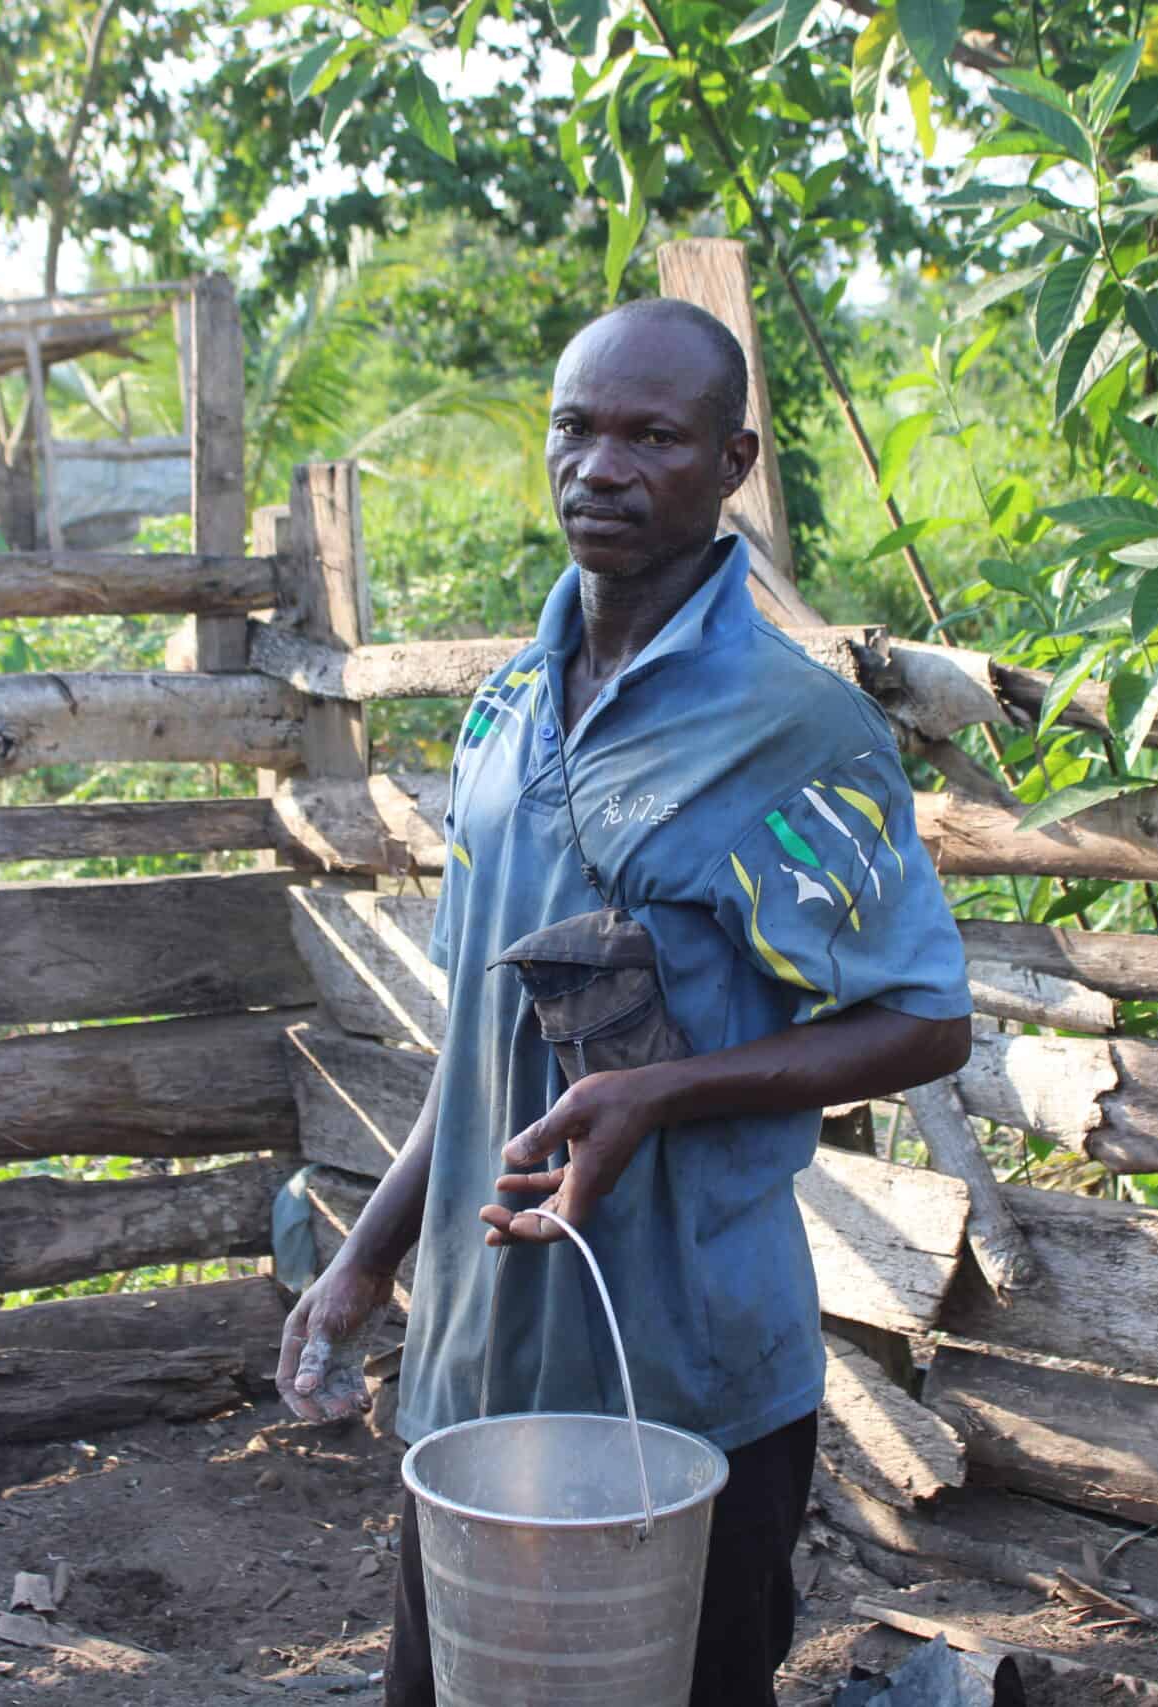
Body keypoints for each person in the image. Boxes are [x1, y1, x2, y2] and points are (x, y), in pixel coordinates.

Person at [274, 297, 975, 1707]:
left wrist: (668, 1091)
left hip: (685, 1367)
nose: (601, 467)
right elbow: (484, 1052)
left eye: (653, 436)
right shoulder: (503, 716)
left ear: (733, 459)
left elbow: (927, 1020)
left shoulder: (793, 728)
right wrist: (363, 1264)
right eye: (576, 427)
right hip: (475, 1368)